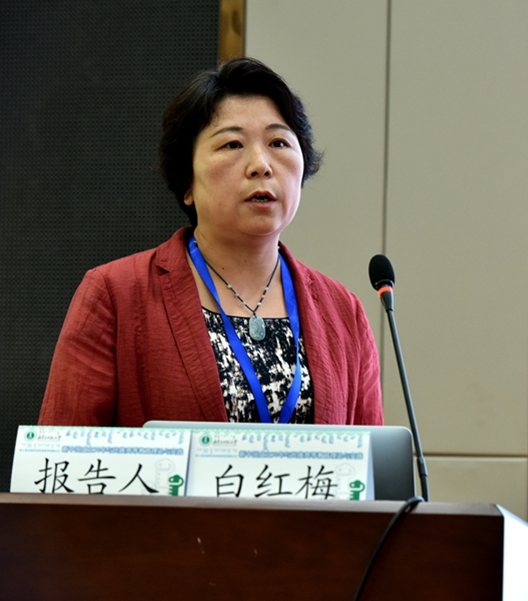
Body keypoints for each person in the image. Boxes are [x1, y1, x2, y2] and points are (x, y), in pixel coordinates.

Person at [38, 58, 383, 427]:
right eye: (232, 144)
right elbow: (62, 453)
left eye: (279, 142)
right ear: (186, 181)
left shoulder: (343, 312)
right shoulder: (116, 295)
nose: (261, 165)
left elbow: (372, 459)